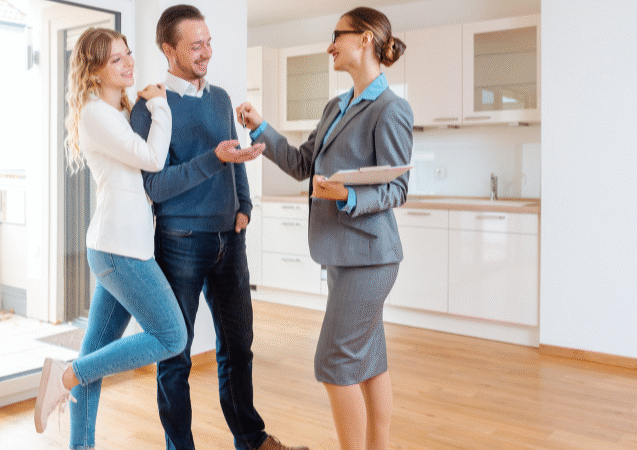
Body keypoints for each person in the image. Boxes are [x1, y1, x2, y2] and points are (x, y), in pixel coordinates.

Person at [129, 5, 307, 450]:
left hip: (231, 238)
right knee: (175, 354)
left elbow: (236, 159)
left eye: (208, 41)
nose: (206, 51)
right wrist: (216, 160)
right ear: (168, 49)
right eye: (195, 45)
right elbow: (154, 185)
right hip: (180, 241)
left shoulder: (222, 98)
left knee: (238, 346)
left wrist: (243, 205)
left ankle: (251, 439)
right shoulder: (151, 107)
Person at [236, 7, 412, 450]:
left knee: (334, 362)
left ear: (367, 38)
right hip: (342, 255)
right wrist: (261, 127)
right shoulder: (336, 106)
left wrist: (349, 197)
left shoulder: (391, 109)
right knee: (367, 360)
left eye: (338, 35)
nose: (330, 45)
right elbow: (302, 164)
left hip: (371, 256)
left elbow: (398, 189)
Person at [33, 27, 188, 450]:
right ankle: (66, 375)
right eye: (116, 59)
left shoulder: (112, 111)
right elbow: (153, 158)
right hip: (120, 250)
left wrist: (142, 105)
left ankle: (79, 442)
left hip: (121, 246)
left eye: (128, 54)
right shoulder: (95, 114)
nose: (129, 64)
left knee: (95, 355)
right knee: (172, 336)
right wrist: (160, 105)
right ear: (94, 70)